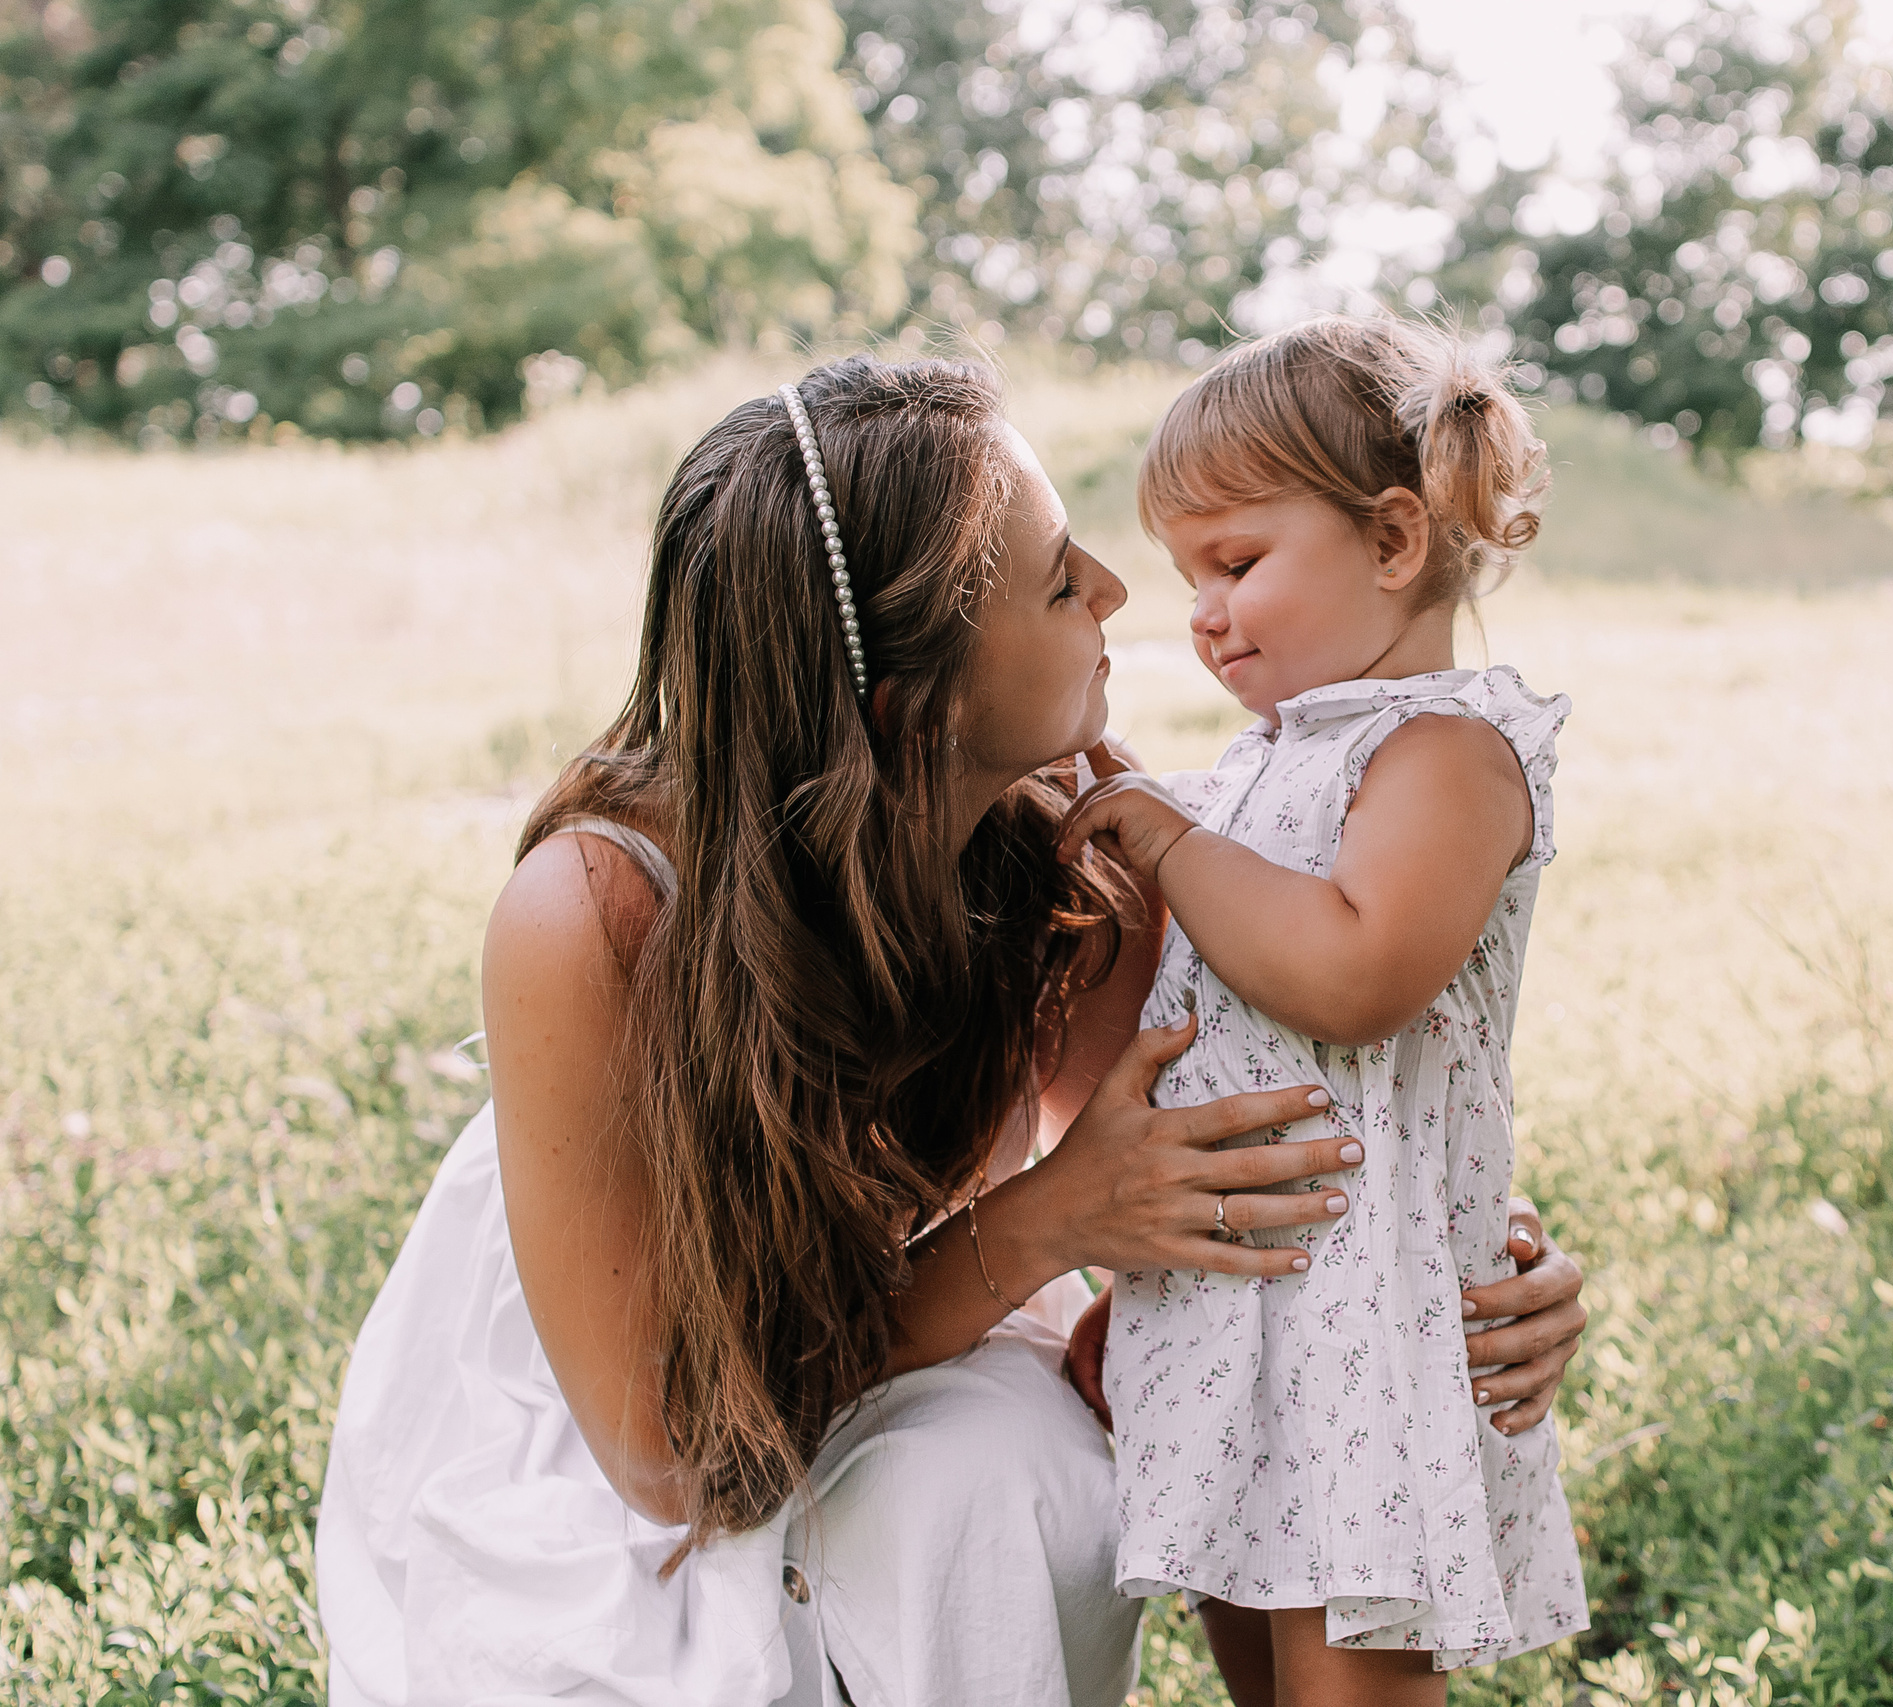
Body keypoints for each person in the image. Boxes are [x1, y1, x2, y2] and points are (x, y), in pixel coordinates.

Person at [314, 353, 1591, 1707]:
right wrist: (1042, 1224)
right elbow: (666, 1448)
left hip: (912, 1306)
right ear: (915, 708)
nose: (1115, 591)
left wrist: (1473, 1275)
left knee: (1005, 1485)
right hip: (624, 1401)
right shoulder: (595, 911)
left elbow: (1236, 1159)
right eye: (1058, 580)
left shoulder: (1084, 845)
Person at [1054, 318, 1584, 1707]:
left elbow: (1356, 980)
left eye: (1236, 563)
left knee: (1352, 1673)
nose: (1203, 612)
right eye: (1189, 576)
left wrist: (1170, 846)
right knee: (1254, 1653)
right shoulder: (1270, 760)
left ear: (1396, 540)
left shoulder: (1446, 752)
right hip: (1251, 1305)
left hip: (1373, 1320)